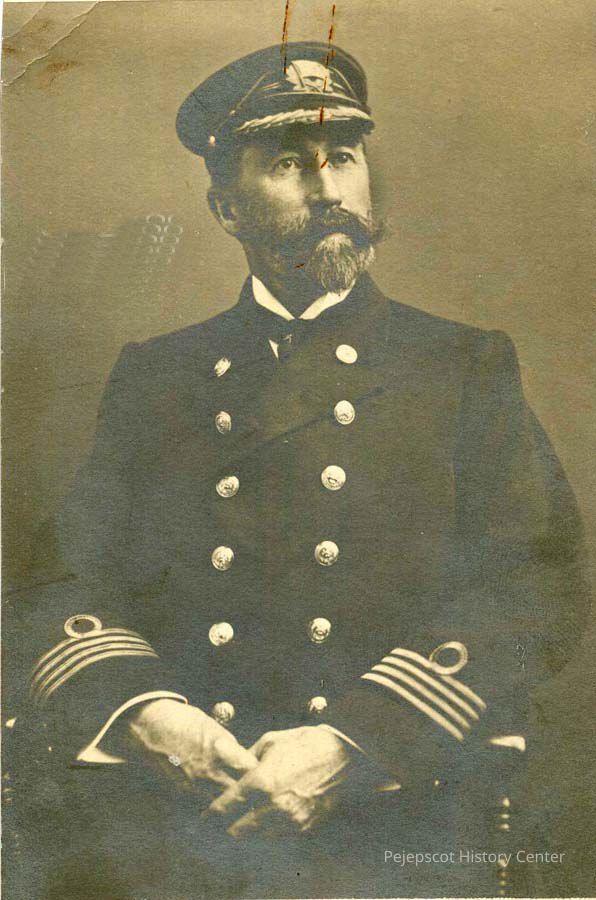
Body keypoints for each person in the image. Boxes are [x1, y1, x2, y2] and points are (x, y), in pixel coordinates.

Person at [10, 41, 590, 899]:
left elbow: (533, 582)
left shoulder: (461, 366)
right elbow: (60, 578)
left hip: (394, 819)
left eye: (343, 157)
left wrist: (355, 741)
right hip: (180, 819)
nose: (330, 191)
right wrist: (146, 714)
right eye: (289, 164)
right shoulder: (159, 375)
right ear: (226, 209)